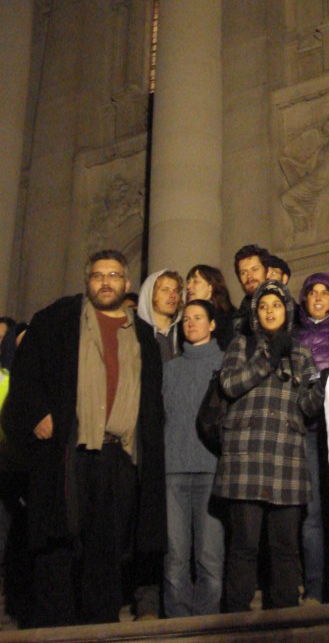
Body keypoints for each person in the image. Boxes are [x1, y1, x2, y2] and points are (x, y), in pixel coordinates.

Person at [4, 250, 165, 626]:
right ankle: (56, 627)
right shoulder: (58, 321)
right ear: (87, 281)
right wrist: (36, 413)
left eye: (114, 275)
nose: (106, 282)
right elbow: (26, 375)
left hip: (119, 456)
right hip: (70, 450)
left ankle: (100, 624)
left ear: (127, 284)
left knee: (107, 549)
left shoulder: (142, 335)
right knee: (59, 542)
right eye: (98, 275)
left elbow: (152, 401)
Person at [215, 280, 325, 611]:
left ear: (287, 311)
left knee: (285, 548)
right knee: (244, 546)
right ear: (255, 313)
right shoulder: (242, 344)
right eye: (263, 306)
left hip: (285, 459)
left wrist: (324, 387)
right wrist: (267, 359)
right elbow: (230, 384)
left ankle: (284, 620)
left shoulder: (301, 352)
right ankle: (235, 619)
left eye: (276, 305)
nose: (270, 311)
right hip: (245, 458)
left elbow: (306, 407)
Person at [162, 299, 225, 618]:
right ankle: (177, 622)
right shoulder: (170, 369)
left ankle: (207, 622)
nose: (191, 323)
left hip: (211, 468)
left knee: (209, 554)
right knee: (175, 553)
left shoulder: (226, 364)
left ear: (212, 324)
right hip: (174, 469)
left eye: (198, 318)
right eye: (186, 319)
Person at [294, 273, 329, 604]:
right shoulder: (293, 337)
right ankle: (314, 587)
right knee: (311, 515)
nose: (319, 297)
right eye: (313, 293)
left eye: (325, 292)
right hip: (306, 430)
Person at [137, 269, 184, 362]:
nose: (173, 295)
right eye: (165, 290)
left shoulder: (184, 332)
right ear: (151, 294)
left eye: (175, 291)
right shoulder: (137, 335)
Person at [185, 264, 235, 350]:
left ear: (211, 286)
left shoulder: (228, 318)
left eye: (195, 282)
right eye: (188, 282)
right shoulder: (184, 318)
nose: (188, 287)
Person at [232, 244, 271, 333]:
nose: (249, 276)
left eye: (255, 269)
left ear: (267, 271)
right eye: (243, 273)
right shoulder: (238, 322)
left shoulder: (290, 310)